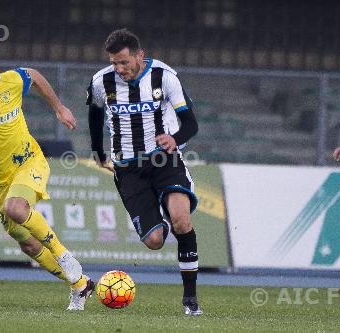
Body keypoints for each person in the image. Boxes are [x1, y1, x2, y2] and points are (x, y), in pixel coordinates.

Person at [0, 40, 94, 310]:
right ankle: (81, 285)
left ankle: (64, 255)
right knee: (30, 246)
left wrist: (58, 107)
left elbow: (33, 75)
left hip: (28, 161)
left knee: (16, 207)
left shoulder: (12, 80)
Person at [87, 28, 202, 315]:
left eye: (124, 62)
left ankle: (190, 300)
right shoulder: (102, 81)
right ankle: (158, 216)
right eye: (115, 63)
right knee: (154, 242)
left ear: (140, 55)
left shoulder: (165, 77)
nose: (120, 68)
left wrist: (174, 139)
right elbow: (95, 114)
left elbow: (191, 123)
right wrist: (98, 151)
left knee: (182, 221)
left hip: (164, 161)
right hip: (128, 169)